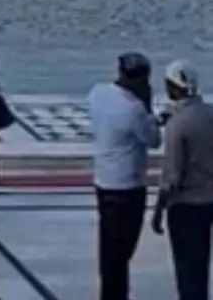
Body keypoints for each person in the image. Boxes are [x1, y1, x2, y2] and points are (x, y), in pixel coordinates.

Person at [89, 51, 160, 300]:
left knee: (108, 245)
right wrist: (148, 108)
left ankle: (110, 292)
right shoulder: (134, 109)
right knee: (122, 250)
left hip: (102, 180)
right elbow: (153, 141)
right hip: (128, 185)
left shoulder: (97, 92)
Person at [154, 60, 213, 300]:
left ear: (173, 87)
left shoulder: (178, 125)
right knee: (202, 266)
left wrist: (159, 209)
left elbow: (172, 177)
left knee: (188, 270)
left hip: (186, 206)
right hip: (209, 198)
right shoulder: (209, 114)